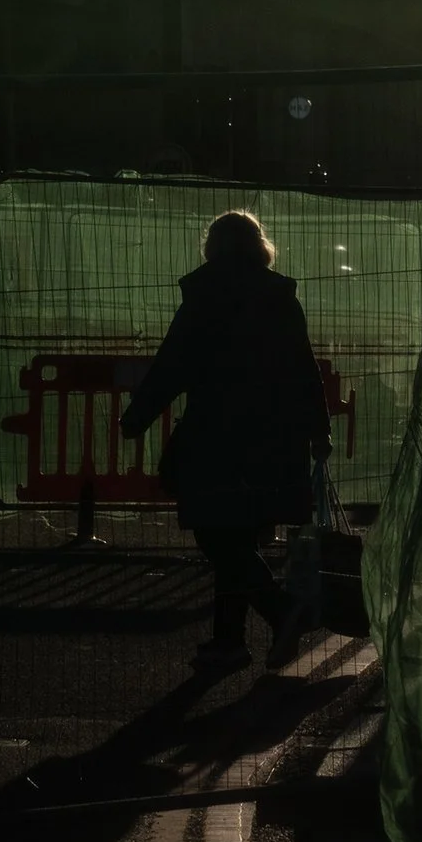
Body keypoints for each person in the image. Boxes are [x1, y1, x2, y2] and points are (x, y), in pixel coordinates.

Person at [120, 208, 332, 673]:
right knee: (238, 535)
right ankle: (228, 640)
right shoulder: (280, 296)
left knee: (218, 535)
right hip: (273, 440)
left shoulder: (205, 295)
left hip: (215, 434)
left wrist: (137, 416)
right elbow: (303, 367)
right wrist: (319, 429)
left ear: (212, 246)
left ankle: (277, 615)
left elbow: (173, 364)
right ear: (259, 246)